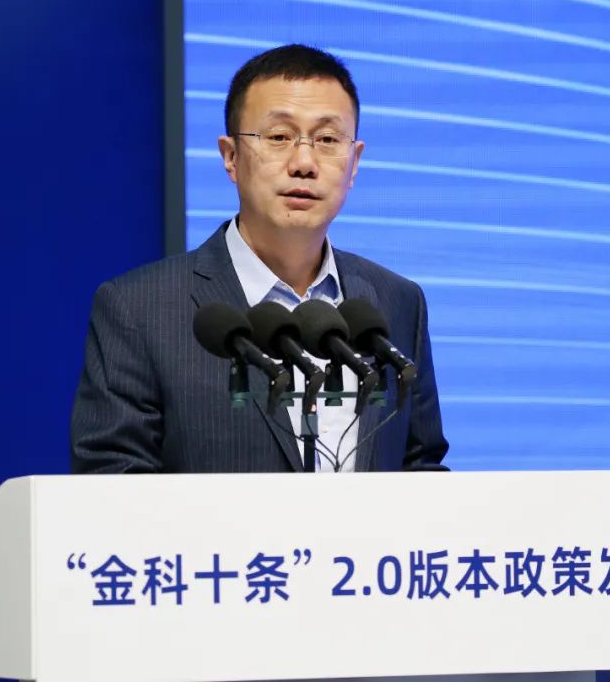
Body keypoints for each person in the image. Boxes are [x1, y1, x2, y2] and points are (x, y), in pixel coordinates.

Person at [70, 44, 448, 473]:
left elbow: (422, 468)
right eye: (279, 137)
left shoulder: (397, 302)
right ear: (231, 157)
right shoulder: (139, 308)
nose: (304, 163)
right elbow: (111, 480)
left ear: (354, 162)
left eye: (327, 140)